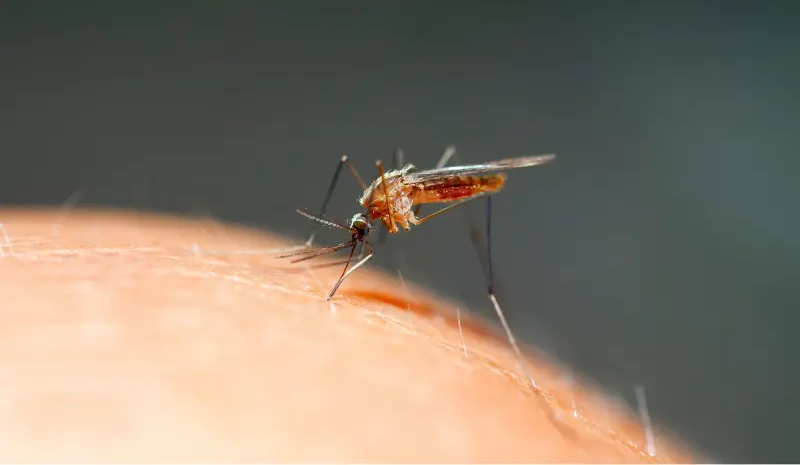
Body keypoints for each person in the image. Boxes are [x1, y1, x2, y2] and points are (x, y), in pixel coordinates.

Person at [0, 208, 697, 461]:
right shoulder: (372, 210)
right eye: (356, 235)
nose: (360, 237)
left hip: (440, 189)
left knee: (470, 221)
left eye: (355, 234)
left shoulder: (392, 204)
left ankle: (498, 303)